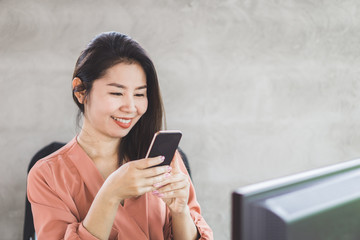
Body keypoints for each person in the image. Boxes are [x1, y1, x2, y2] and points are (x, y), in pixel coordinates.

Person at [27, 32, 213, 239]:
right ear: (80, 91)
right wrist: (110, 194)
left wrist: (180, 212)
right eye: (117, 93)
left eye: (140, 94)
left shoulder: (163, 158)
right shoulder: (47, 175)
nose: (131, 107)